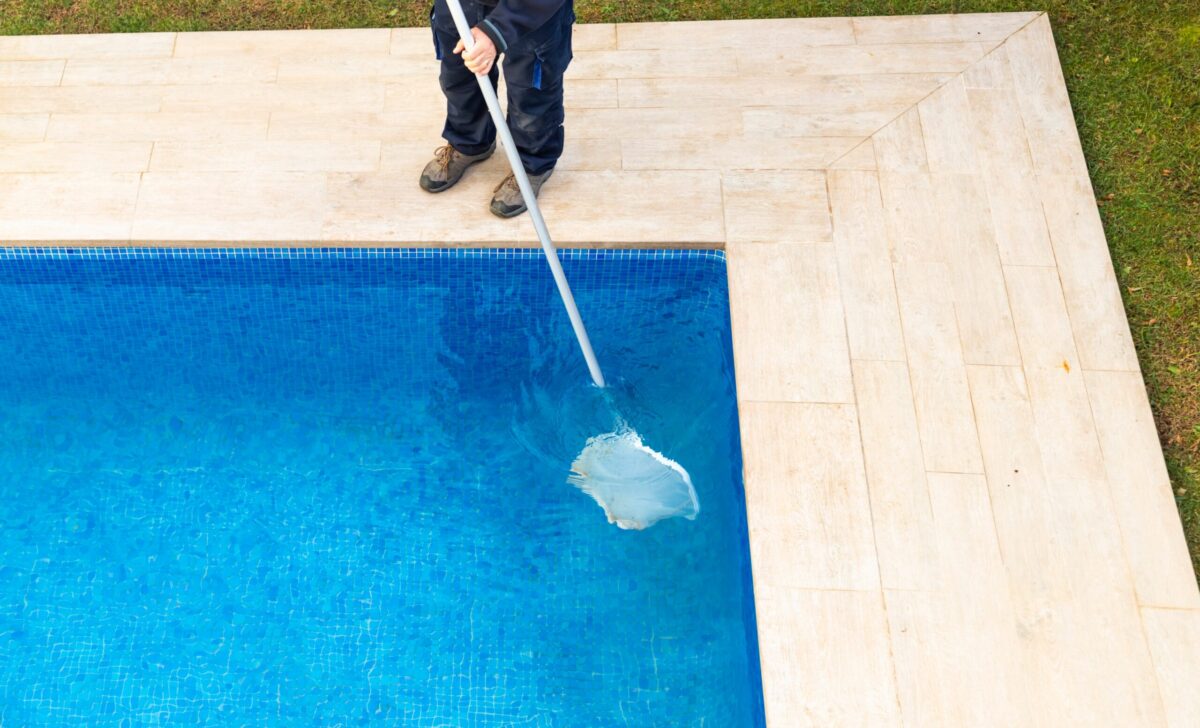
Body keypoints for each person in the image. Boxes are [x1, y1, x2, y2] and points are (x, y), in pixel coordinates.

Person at [420, 0, 574, 218]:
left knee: (530, 96)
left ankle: (532, 164)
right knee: (459, 80)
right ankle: (470, 142)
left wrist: (497, 31)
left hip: (532, 9)